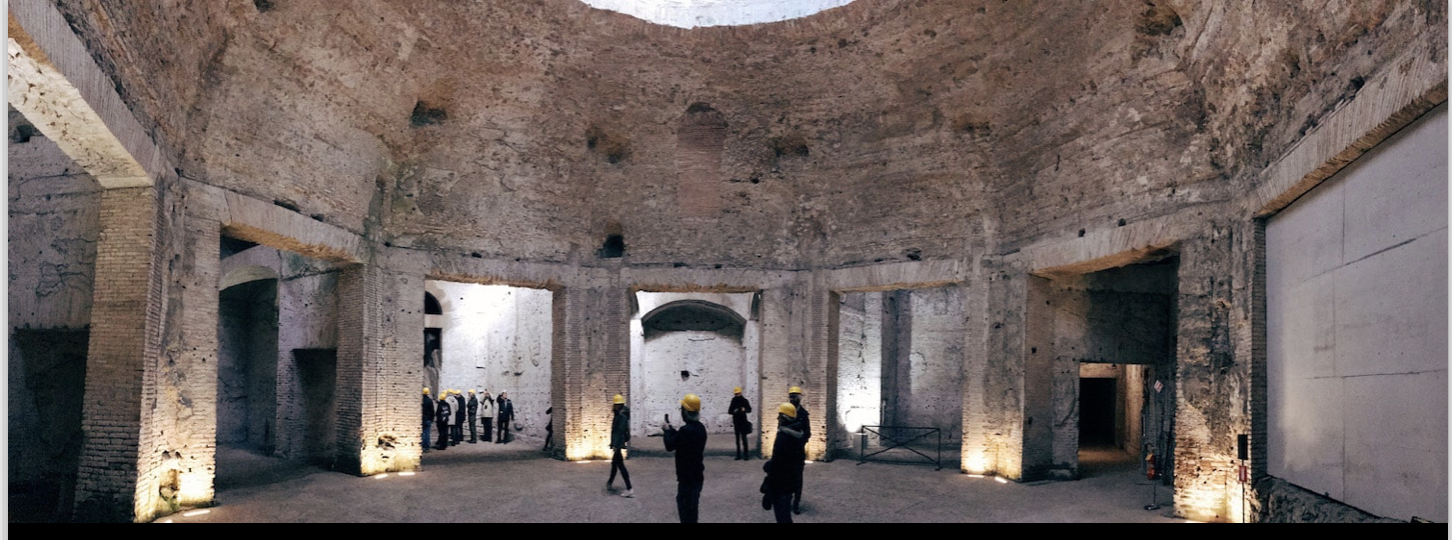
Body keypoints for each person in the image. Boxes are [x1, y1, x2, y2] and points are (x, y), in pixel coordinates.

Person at [663, 394, 707, 523]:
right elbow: (681, 439)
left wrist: (666, 431)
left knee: (685, 510)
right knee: (692, 510)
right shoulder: (700, 428)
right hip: (697, 475)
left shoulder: (685, 431)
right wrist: (672, 430)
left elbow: (670, 445)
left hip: (687, 478)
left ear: (686, 412)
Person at [762, 402, 805, 523]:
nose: (777, 418)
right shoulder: (797, 434)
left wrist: (769, 467)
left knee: (782, 517)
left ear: (784, 418)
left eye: (779, 415)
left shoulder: (783, 437)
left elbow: (777, 465)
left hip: (780, 485)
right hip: (790, 483)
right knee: (785, 516)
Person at [787, 386, 810, 514]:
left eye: (795, 396)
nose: (793, 398)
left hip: (797, 453)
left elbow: (808, 433)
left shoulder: (803, 414)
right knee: (787, 478)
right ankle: (787, 500)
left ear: (799, 397)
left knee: (797, 479)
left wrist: (799, 441)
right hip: (786, 453)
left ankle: (796, 503)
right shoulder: (785, 412)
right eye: (791, 396)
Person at [606, 394, 633, 498]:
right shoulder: (619, 414)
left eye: (616, 404)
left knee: (621, 466)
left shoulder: (621, 416)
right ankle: (610, 483)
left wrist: (616, 445)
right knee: (614, 464)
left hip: (618, 444)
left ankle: (630, 488)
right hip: (617, 444)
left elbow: (619, 432)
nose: (614, 406)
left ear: (619, 405)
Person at [729, 387, 753, 460]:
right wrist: (734, 411)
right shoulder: (733, 401)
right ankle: (738, 455)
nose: (737, 395)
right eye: (736, 394)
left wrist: (745, 409)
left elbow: (749, 409)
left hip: (743, 422)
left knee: (744, 439)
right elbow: (729, 411)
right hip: (737, 422)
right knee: (737, 440)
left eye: (738, 393)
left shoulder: (744, 401)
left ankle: (746, 455)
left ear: (740, 393)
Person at [422, 387, 435, 453]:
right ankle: (426, 447)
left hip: (422, 418)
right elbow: (432, 411)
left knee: (422, 433)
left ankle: (421, 446)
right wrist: (432, 419)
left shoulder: (420, 400)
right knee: (427, 433)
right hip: (428, 419)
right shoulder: (430, 400)